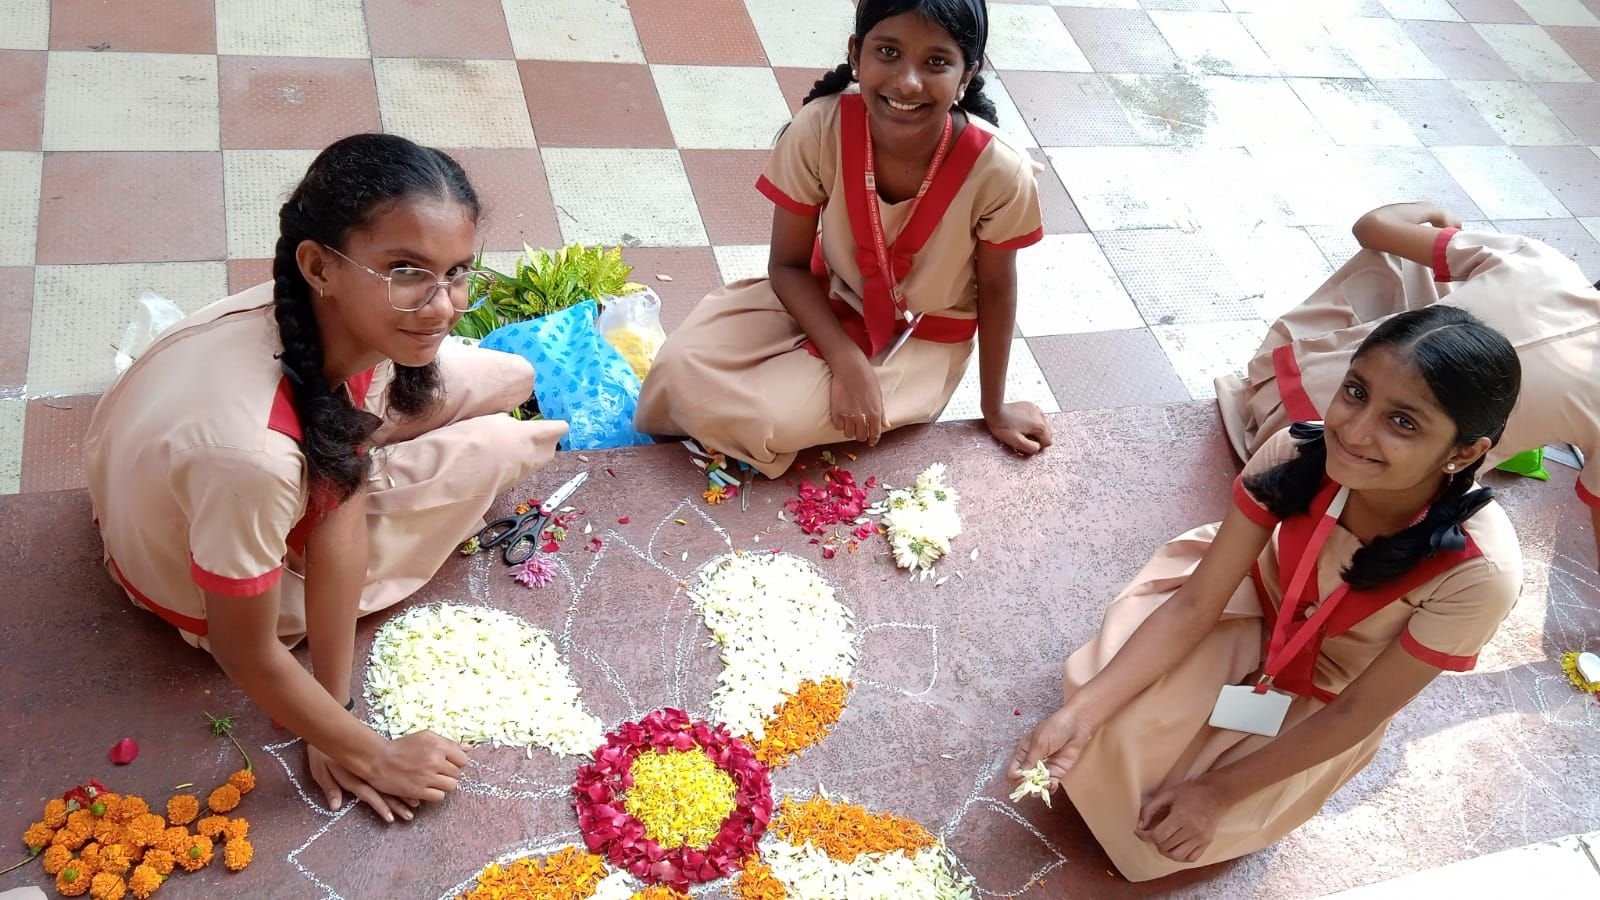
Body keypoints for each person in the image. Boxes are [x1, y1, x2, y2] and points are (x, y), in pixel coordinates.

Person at [83, 134, 567, 823]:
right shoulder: (254, 460)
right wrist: (359, 744)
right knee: (505, 443)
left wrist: (334, 701)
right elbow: (243, 648)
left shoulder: (324, 315)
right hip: (191, 579)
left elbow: (341, 496)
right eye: (406, 271)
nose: (442, 307)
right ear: (319, 266)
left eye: (457, 272)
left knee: (513, 376)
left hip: (219, 448)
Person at [1010, 306, 1523, 881]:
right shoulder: (1294, 452)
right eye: (1356, 392)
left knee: (1170, 819)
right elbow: (1196, 604)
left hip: (1332, 690)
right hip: (1249, 607)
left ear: (1463, 452)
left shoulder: (1480, 572)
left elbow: (1358, 710)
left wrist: (1218, 792)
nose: (1354, 432)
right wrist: (1082, 713)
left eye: (1402, 422)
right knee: (1106, 731)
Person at [634, 0, 1052, 477]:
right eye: (888, 52)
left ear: (967, 74)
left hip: (920, 334)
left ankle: (840, 390)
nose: (907, 82)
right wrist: (846, 361)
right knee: (676, 368)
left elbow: (997, 289)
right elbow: (787, 266)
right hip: (822, 294)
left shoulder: (1001, 170)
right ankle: (811, 374)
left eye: (936, 61)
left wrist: (994, 407)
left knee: (767, 418)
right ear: (856, 53)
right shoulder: (819, 126)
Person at [1216, 201, 1600, 561]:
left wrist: (1435, 212)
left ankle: (1340, 385)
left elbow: (1373, 226)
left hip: (1283, 414)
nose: (1357, 433)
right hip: (1364, 490)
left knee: (1400, 258)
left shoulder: (1542, 262)